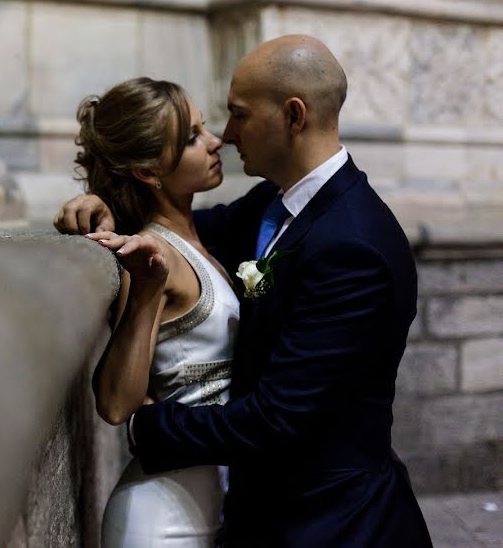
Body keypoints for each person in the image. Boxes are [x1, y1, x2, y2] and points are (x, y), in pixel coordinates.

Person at [55, 36, 433, 548]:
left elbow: (278, 418)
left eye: (237, 114)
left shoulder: (354, 245)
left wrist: (145, 430)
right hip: (244, 511)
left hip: (331, 524)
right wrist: (105, 200)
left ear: (293, 116)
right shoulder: (269, 206)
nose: (225, 135)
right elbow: (178, 230)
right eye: (203, 129)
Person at [73, 77, 238, 547]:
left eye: (204, 129)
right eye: (192, 138)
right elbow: (115, 404)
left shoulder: (200, 242)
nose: (214, 142)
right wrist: (148, 289)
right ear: (148, 171)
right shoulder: (150, 256)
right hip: (160, 519)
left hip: (215, 506)